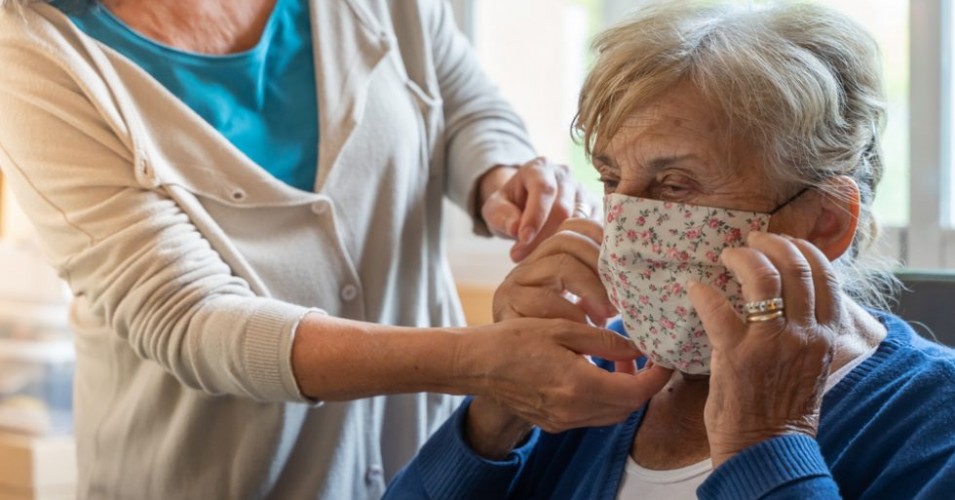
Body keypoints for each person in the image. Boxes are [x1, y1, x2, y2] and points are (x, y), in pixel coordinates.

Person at [0, 0, 668, 498]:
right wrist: (474, 362)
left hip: (428, 461)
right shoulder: (30, 52)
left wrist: (505, 176)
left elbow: (463, 103)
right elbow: (188, 317)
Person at [384, 2, 955, 499]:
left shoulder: (932, 419)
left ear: (824, 221)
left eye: (674, 186)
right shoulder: (587, 376)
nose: (628, 227)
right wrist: (497, 410)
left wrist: (764, 442)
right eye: (610, 180)